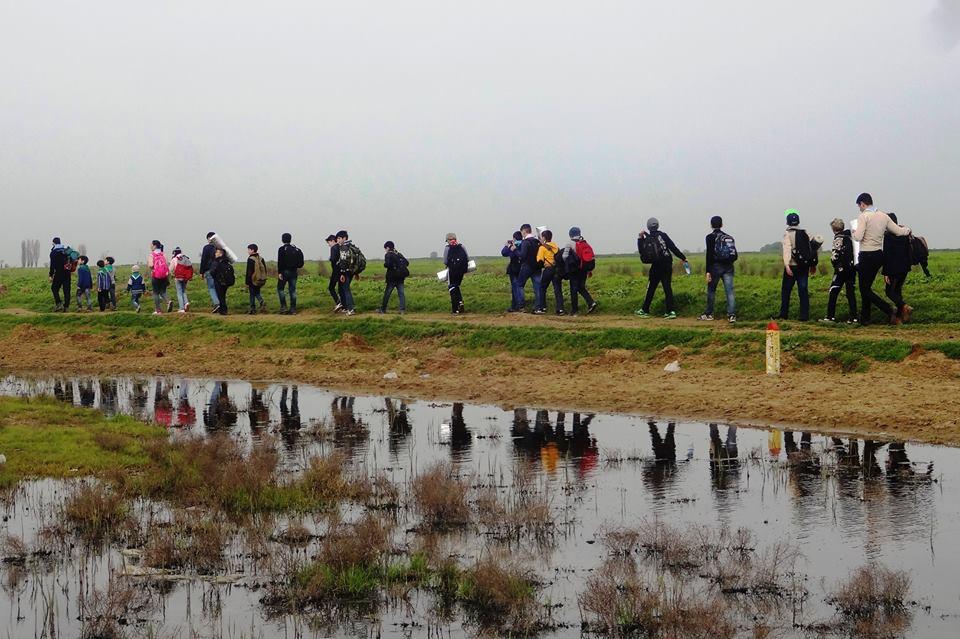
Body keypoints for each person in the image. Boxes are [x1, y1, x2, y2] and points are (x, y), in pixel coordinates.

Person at [852, 193, 911, 325]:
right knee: (866, 287)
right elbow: (898, 231)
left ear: (862, 203)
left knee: (864, 289)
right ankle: (865, 318)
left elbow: (858, 237)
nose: (859, 209)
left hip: (866, 255)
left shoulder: (863, 217)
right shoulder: (883, 216)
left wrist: (854, 233)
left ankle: (889, 310)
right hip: (879, 255)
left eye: (859, 206)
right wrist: (908, 230)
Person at [635, 217, 688, 319]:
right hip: (667, 264)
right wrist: (683, 258)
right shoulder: (663, 235)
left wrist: (640, 238)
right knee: (667, 287)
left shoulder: (648, 238)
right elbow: (673, 247)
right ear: (658, 225)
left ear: (648, 227)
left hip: (656, 266)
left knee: (651, 287)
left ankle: (645, 310)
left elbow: (642, 251)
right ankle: (670, 311)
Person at [699, 216, 737, 322]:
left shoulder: (710, 237)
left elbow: (709, 255)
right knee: (729, 291)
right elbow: (734, 255)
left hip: (715, 267)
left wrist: (708, 271)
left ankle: (709, 314)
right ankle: (731, 315)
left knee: (711, 290)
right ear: (722, 224)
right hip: (729, 267)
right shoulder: (728, 237)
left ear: (711, 225)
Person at [778, 210, 813, 321]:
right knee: (803, 290)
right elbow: (812, 248)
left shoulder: (787, 234)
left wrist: (787, 265)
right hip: (804, 266)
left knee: (786, 291)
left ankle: (783, 314)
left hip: (792, 265)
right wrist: (813, 264)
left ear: (787, 222)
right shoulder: (806, 233)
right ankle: (804, 315)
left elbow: (787, 250)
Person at [821, 218, 858, 324]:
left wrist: (835, 264)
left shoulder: (838, 238)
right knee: (850, 293)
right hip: (851, 269)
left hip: (841, 270)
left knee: (833, 291)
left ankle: (830, 316)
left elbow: (835, 255)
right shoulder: (850, 237)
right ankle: (854, 317)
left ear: (833, 228)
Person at [883, 213, 913, 324]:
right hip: (904, 268)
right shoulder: (904, 234)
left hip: (892, 269)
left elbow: (887, 255)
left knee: (889, 292)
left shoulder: (888, 237)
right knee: (897, 291)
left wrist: (885, 273)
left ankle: (904, 307)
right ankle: (900, 318)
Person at [562, 227, 598, 316]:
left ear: (570, 234)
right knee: (581, 287)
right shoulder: (584, 243)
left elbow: (564, 256)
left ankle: (574, 311)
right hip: (584, 269)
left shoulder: (569, 243)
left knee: (573, 290)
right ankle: (591, 302)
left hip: (574, 270)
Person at [536, 229, 565, 315]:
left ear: (544, 238)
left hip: (548, 269)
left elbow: (539, 260)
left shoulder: (542, 248)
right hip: (557, 270)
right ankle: (560, 309)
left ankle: (542, 308)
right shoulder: (555, 246)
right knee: (557, 289)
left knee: (542, 288)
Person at [516, 223, 543, 312]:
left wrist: (515, 250)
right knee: (537, 287)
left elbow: (522, 255)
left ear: (524, 231)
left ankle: (521, 306)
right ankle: (538, 307)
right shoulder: (537, 241)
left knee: (520, 284)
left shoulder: (525, 242)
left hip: (527, 266)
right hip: (537, 267)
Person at [379, 241, 408, 314]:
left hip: (391, 278)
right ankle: (402, 310)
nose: (385, 250)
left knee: (387, 294)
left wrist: (385, 264)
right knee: (401, 294)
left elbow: (387, 264)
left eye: (385, 248)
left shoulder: (388, 254)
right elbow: (407, 263)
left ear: (388, 247)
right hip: (400, 278)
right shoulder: (398, 254)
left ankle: (383, 309)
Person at [277, 232, 301, 315]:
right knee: (292, 291)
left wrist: (279, 272)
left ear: (282, 239)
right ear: (290, 239)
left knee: (280, 289)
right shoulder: (295, 249)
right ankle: (293, 309)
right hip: (294, 272)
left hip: (284, 272)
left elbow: (280, 262)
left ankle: (283, 308)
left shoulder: (281, 249)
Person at [443, 232, 468, 314]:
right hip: (461, 271)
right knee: (457, 286)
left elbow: (445, 261)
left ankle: (455, 309)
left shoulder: (447, 248)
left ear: (448, 240)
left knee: (452, 288)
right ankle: (460, 302)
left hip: (452, 271)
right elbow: (467, 258)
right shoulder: (462, 246)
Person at [336, 230, 358, 316]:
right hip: (351, 271)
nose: (338, 240)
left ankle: (350, 309)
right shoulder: (351, 246)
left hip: (346, 272)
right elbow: (354, 260)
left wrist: (342, 273)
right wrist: (356, 272)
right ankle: (351, 307)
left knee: (346, 290)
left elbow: (343, 261)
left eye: (339, 238)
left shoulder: (344, 248)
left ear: (344, 238)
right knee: (346, 289)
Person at [501, 231, 523, 312]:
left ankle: (518, 306)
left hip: (513, 269)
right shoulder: (524, 244)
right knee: (519, 287)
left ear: (514, 238)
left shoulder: (514, 245)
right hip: (522, 269)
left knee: (515, 288)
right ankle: (515, 306)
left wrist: (507, 245)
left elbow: (504, 253)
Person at [48, 237, 72, 312]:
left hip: (59, 273)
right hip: (67, 273)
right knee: (67, 290)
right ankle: (66, 307)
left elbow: (52, 265)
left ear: (53, 243)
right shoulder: (65, 250)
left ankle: (59, 304)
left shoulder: (53, 252)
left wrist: (51, 275)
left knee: (54, 288)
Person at [148, 240, 171, 315]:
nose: (150, 246)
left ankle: (158, 310)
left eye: (151, 245)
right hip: (164, 276)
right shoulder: (163, 254)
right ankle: (168, 301)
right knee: (163, 291)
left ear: (154, 246)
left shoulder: (152, 255)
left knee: (156, 293)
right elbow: (167, 264)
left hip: (155, 275)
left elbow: (151, 265)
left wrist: (152, 267)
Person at [200, 232, 221, 313]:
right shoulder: (219, 247)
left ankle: (216, 304)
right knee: (218, 287)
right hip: (219, 270)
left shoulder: (207, 248)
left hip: (209, 270)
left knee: (211, 288)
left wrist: (201, 272)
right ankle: (221, 304)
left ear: (209, 239)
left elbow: (203, 260)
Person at [210, 248, 234, 315]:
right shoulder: (226, 261)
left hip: (218, 281)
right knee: (223, 295)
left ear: (221, 254)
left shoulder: (216, 261)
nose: (215, 254)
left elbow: (212, 271)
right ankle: (223, 309)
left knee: (220, 296)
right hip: (226, 281)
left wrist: (215, 277)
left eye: (217, 252)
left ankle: (223, 310)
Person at [245, 243, 268, 314]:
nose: (248, 251)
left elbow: (249, 271)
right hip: (260, 279)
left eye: (249, 249)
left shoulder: (250, 259)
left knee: (252, 294)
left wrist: (247, 282)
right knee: (257, 292)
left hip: (253, 279)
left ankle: (253, 308)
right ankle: (260, 302)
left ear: (252, 250)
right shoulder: (261, 258)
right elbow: (265, 269)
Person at [170, 247, 192, 313]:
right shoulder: (185, 258)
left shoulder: (174, 259)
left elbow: (170, 269)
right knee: (183, 291)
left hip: (178, 277)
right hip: (185, 277)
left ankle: (181, 308)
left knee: (179, 292)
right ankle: (186, 302)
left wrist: (172, 274)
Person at [326, 234, 342, 311]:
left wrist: (330, 258)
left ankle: (338, 302)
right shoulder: (340, 247)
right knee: (341, 289)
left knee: (331, 288)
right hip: (342, 271)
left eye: (329, 242)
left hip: (336, 271)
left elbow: (333, 259)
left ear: (332, 241)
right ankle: (344, 305)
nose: (328, 245)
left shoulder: (333, 248)